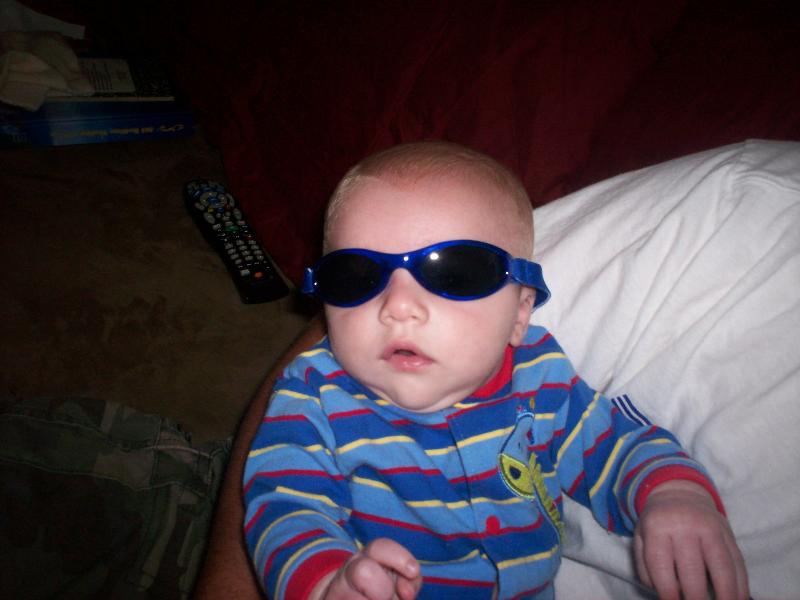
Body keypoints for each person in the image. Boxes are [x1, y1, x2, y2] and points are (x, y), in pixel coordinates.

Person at [240, 141, 749, 600]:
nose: (398, 307)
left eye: (455, 273)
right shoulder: (313, 395)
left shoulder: (542, 378)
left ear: (521, 312)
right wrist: (325, 582)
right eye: (356, 277)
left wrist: (673, 492)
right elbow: (285, 507)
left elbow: (615, 445)